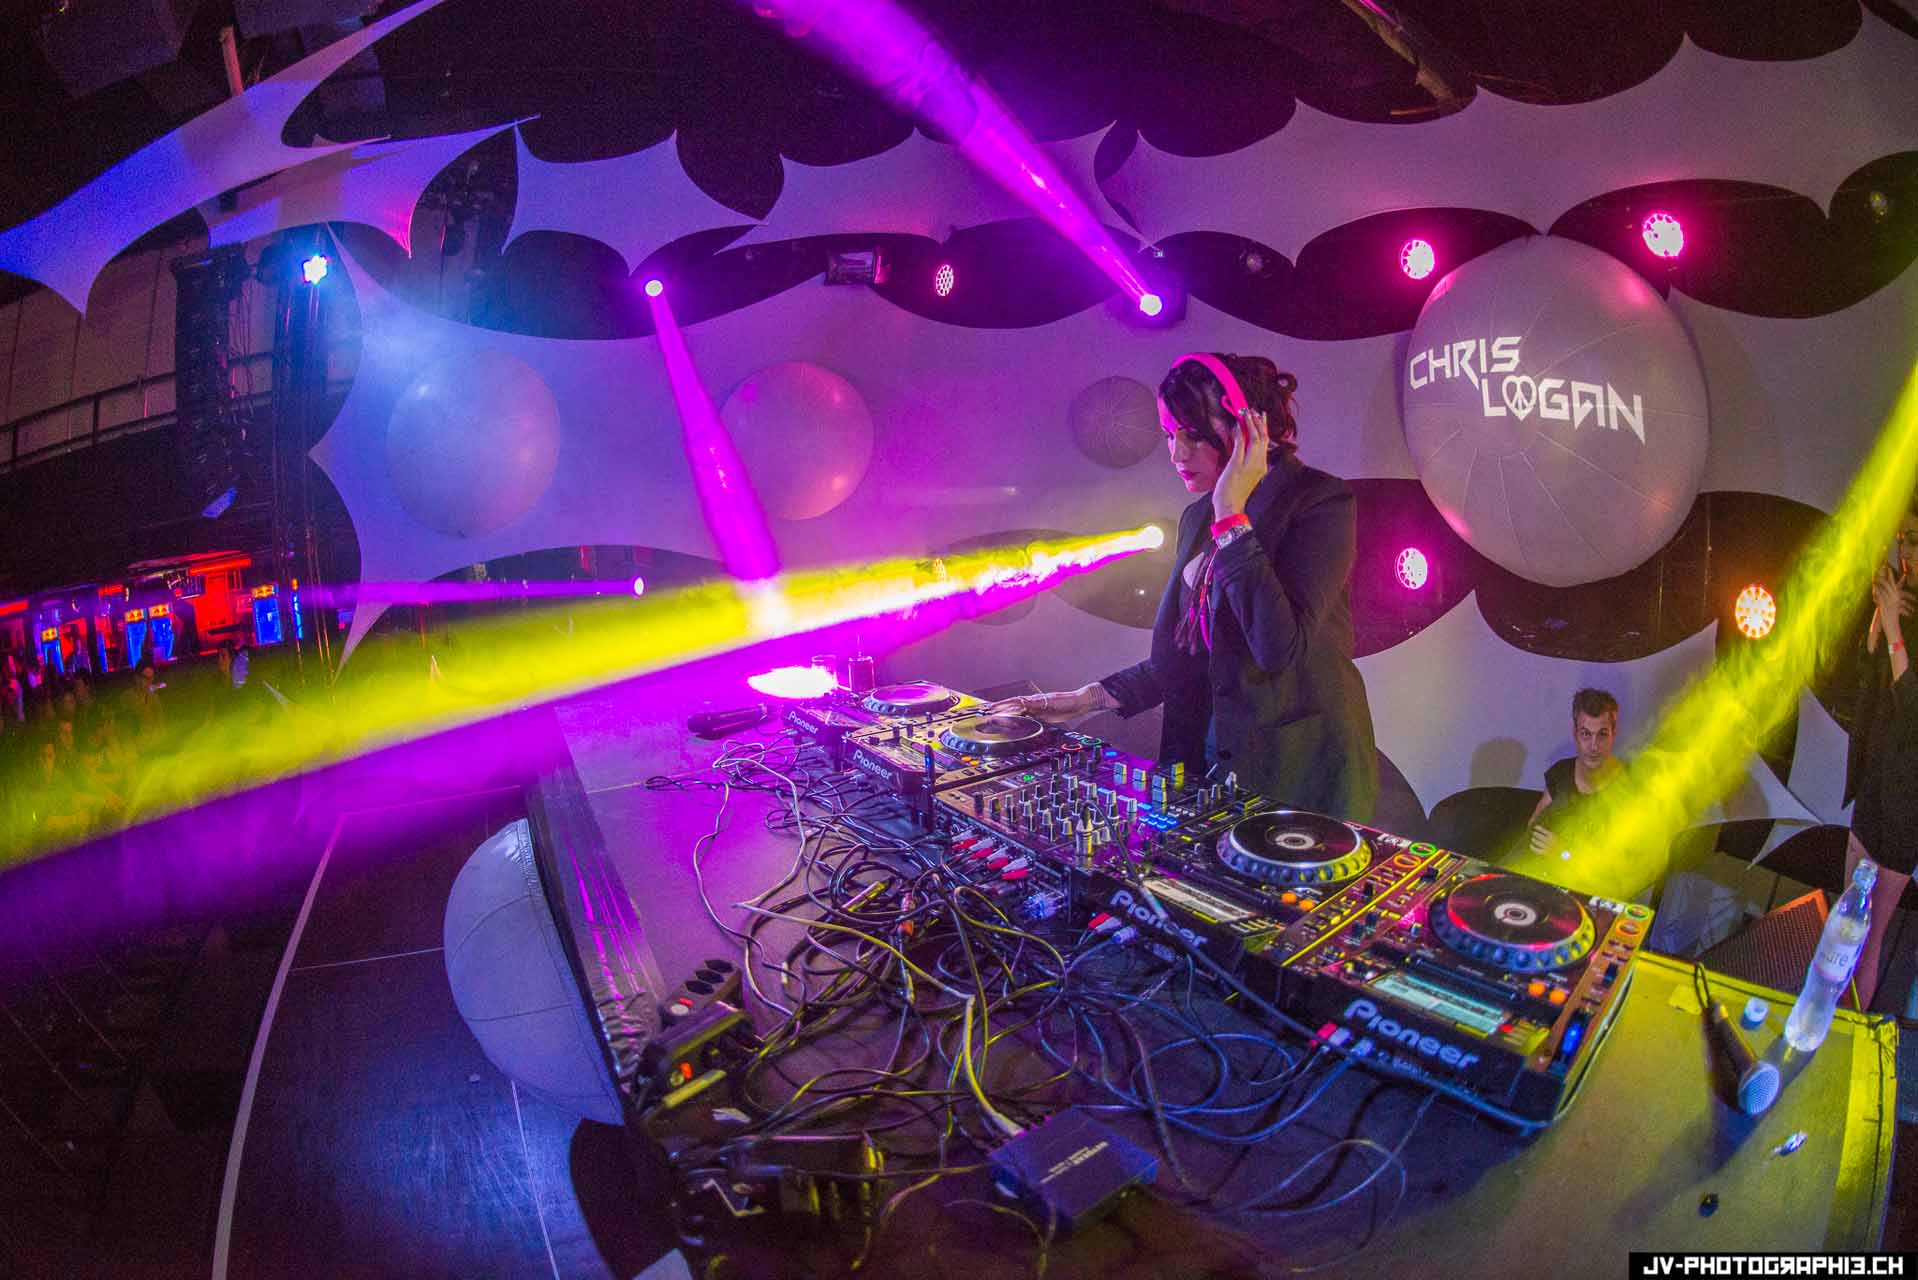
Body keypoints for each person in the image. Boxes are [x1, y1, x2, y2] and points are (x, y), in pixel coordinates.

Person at [993, 352, 1378, 819]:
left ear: (1247, 428)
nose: (1177, 454)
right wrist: (1084, 699)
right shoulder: (1198, 517)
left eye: (1192, 434)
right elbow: (1190, 655)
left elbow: (1278, 647)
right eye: (1170, 435)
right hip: (1211, 764)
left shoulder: (1319, 501)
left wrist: (1232, 515)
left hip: (1298, 776)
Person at [1843, 503, 1918, 1011]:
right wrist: (1879, 615)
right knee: (1844, 922)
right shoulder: (1906, 599)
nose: (1904, 551)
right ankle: (1819, 1021)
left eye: (1912, 540)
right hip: (1875, 781)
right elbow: (1868, 673)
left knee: (1869, 937)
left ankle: (1848, 1028)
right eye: (1901, 540)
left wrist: (1892, 625)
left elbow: (1913, 707)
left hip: (1906, 800)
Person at [1527, 688, 1626, 857]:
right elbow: (1533, 830)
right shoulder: (1562, 773)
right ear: (1575, 734)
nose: (1593, 746)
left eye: (1602, 735)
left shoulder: (1629, 783)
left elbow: (1622, 860)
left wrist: (1563, 852)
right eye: (1586, 734)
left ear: (1613, 735)